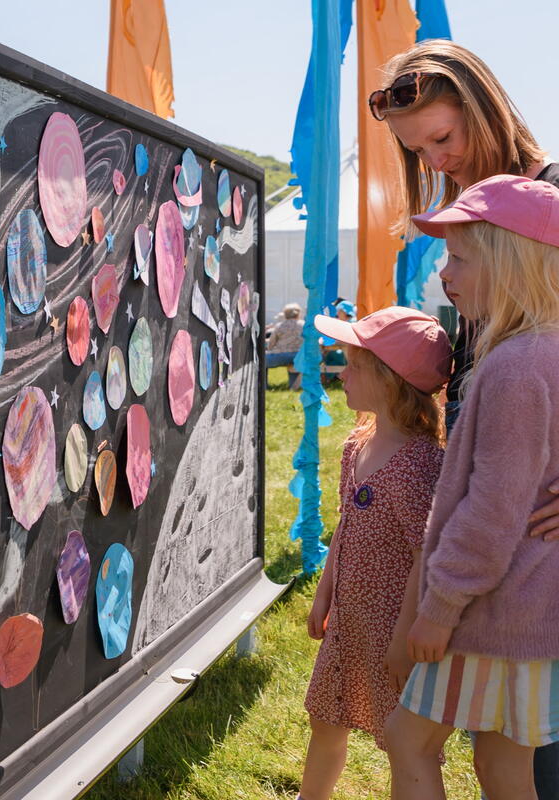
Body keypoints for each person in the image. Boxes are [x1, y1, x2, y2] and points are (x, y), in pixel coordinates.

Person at [373, 41, 559, 791]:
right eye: (419, 152)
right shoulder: (466, 221)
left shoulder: (546, 204)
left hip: (525, 546)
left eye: (444, 140)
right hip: (487, 514)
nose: (438, 161)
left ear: (482, 105)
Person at [297, 307, 451, 800]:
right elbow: (345, 524)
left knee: (405, 745)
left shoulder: (420, 464)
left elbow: (426, 551)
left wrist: (405, 637)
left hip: (393, 635)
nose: (342, 373)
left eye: (353, 365)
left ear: (389, 380)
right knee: (327, 718)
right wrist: (325, 595)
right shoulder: (355, 445)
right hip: (348, 625)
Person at [266, 303, 305, 389]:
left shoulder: (280, 326)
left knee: (262, 361)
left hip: (280, 355)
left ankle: (263, 386)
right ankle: (294, 385)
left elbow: (271, 344)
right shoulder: (304, 325)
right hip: (299, 355)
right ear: (298, 314)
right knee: (294, 364)